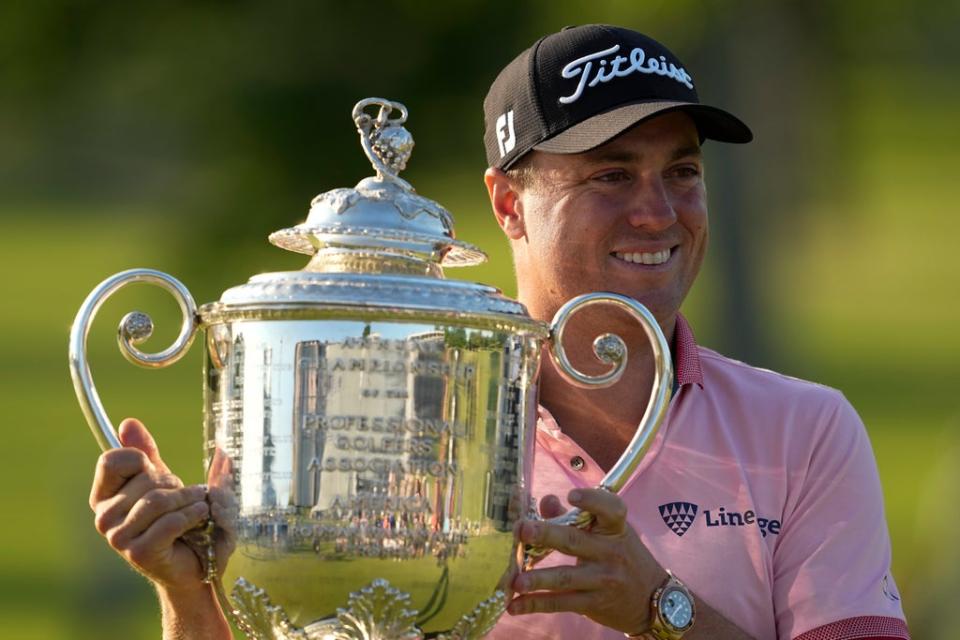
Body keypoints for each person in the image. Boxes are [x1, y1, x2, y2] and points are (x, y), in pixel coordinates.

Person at [88, 24, 910, 640]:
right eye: (611, 174)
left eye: (682, 172)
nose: (657, 212)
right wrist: (188, 596)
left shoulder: (805, 430)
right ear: (508, 204)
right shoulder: (370, 416)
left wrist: (661, 609)